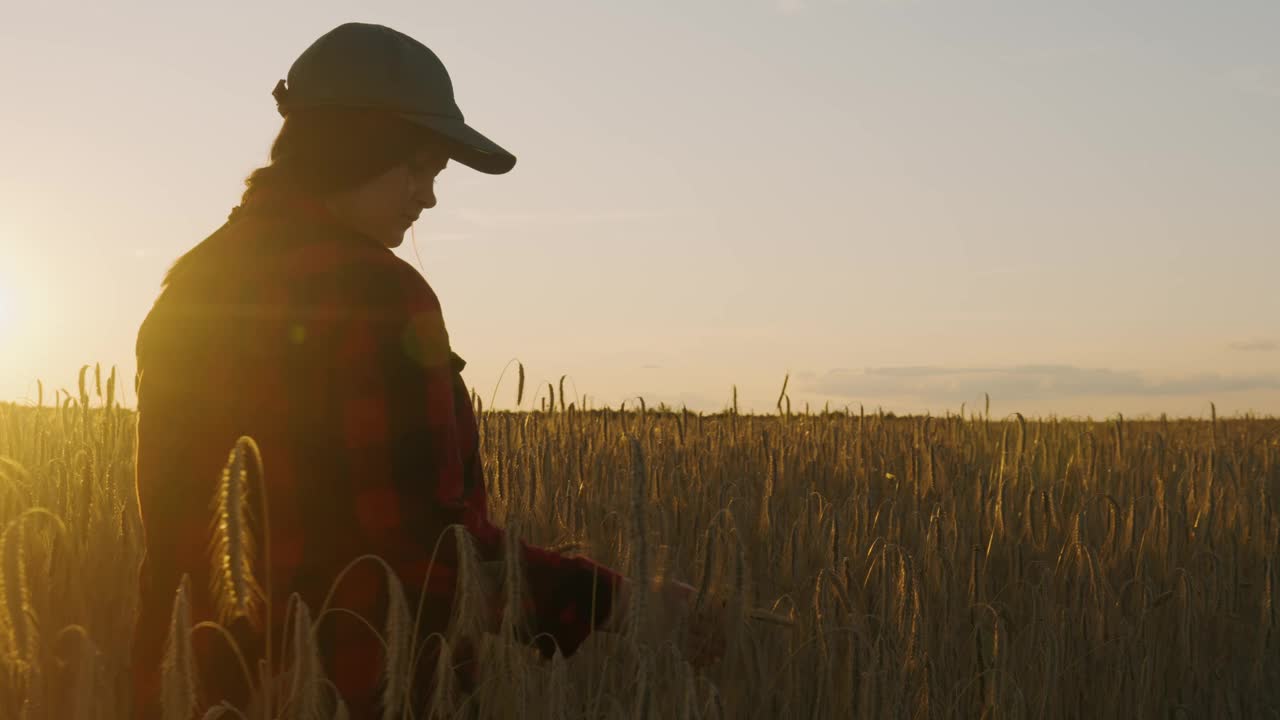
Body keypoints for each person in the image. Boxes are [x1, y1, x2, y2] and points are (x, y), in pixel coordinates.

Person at [130, 21, 722, 719]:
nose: (429, 197)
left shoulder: (190, 285)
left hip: (196, 689)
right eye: (419, 167)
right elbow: (427, 549)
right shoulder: (376, 292)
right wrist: (625, 604)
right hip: (353, 690)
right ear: (354, 150)